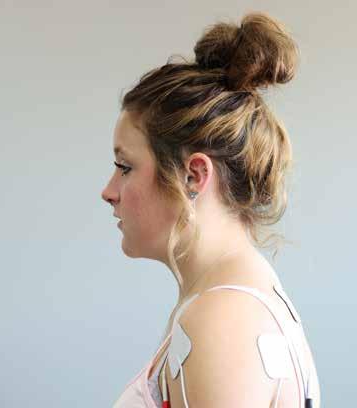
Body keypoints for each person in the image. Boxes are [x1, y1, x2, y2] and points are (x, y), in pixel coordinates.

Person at [101, 11, 321, 408]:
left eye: (125, 167)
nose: (108, 191)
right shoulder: (231, 302)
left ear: (194, 175)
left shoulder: (222, 322)